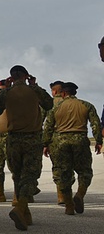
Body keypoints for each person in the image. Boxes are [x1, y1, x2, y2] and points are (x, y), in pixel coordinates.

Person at [0, 65, 53, 231]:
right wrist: (34, 85)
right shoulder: (34, 90)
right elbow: (49, 104)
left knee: (18, 176)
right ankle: (20, 208)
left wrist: (7, 89)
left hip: (13, 139)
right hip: (32, 138)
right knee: (30, 175)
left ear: (11, 77)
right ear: (26, 76)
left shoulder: (6, 93)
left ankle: (25, 215)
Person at [43, 82, 102, 215]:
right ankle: (80, 195)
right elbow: (96, 124)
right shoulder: (86, 105)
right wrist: (98, 141)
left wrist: (46, 144)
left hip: (60, 142)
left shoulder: (55, 108)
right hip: (80, 140)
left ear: (63, 93)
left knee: (63, 173)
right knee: (85, 171)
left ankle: (69, 205)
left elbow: (48, 127)